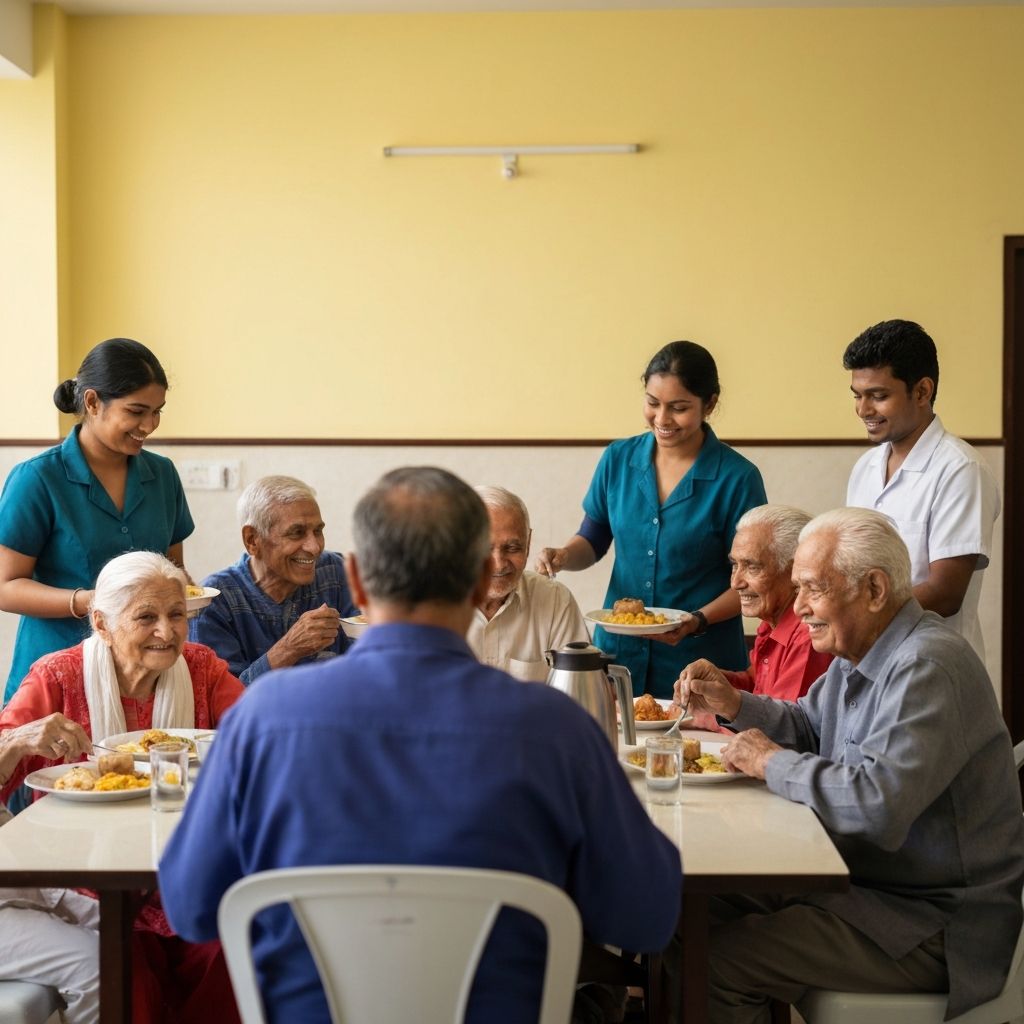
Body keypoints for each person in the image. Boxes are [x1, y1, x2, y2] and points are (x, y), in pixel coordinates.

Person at [160, 466, 682, 1024]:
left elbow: (189, 907)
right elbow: (648, 917)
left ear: (357, 580)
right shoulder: (557, 729)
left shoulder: (262, 719)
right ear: (481, 580)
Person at [678, 508, 1024, 1023]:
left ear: (875, 590)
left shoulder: (926, 665)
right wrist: (734, 704)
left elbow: (876, 804)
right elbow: (808, 724)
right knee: (686, 915)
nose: (799, 606)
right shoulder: (860, 652)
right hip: (864, 886)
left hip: (932, 922)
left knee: (714, 964)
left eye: (812, 589)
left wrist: (771, 762)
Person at [0, 550, 245, 1024]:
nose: (167, 632)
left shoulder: (202, 668)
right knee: (128, 966)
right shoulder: (58, 676)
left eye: (177, 615)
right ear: (102, 623)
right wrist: (16, 741)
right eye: (146, 617)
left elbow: (257, 744)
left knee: (227, 951)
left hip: (185, 868)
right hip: (85, 882)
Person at [536, 341, 767, 698]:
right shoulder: (618, 459)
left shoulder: (737, 478)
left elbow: (755, 581)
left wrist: (697, 620)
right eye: (653, 403)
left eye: (679, 408)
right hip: (620, 655)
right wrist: (564, 555)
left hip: (700, 662)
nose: (662, 419)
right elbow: (593, 538)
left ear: (710, 404)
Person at [0, 338, 194, 704]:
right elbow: (5, 586)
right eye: (136, 411)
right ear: (92, 402)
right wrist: (90, 602)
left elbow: (175, 568)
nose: (149, 425)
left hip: (143, 675)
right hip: (55, 674)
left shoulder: (163, 475)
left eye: (157, 412)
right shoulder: (37, 478)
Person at [844, 319, 999, 661]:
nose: (863, 410)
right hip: (870, 659)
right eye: (857, 395)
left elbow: (945, 593)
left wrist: (855, 613)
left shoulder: (960, 469)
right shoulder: (865, 467)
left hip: (932, 663)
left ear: (922, 391)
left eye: (878, 396)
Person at [673, 505, 833, 728]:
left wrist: (708, 718)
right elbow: (758, 687)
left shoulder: (809, 634)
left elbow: (785, 731)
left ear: (794, 571)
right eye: (734, 565)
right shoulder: (771, 622)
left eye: (752, 567)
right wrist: (717, 685)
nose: (735, 583)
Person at [189, 476, 358, 685]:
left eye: (318, 531)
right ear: (252, 540)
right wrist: (289, 649)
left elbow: (369, 655)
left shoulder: (334, 570)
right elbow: (222, 699)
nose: (314, 547)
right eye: (296, 533)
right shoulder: (213, 602)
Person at [0, 715, 99, 1024]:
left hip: (14, 874)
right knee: (94, 963)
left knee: (127, 924)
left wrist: (14, 745)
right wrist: (13, 742)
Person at [467, 485, 588, 681]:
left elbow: (578, 687)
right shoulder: (428, 604)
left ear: (528, 543)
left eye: (512, 548)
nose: (499, 564)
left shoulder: (556, 601)